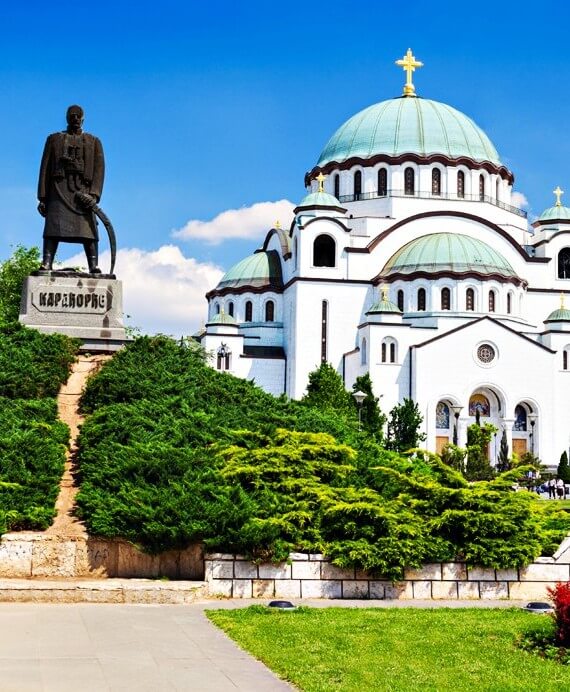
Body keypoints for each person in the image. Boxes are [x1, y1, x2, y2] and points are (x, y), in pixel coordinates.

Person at [37, 105, 105, 274]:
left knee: (88, 229)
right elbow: (44, 168)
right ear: (67, 117)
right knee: (53, 227)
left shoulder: (93, 141)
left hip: (83, 192)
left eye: (78, 116)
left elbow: (99, 170)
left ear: (83, 119)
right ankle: (47, 262)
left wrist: (94, 195)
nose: (75, 118)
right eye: (72, 115)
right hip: (58, 190)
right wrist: (43, 198)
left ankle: (93, 265)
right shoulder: (54, 139)